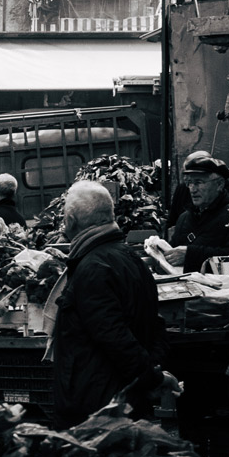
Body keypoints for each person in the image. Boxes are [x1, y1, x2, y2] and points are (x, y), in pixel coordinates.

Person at [48, 181, 167, 428]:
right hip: (123, 401)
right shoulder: (131, 258)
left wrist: (150, 379)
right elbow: (155, 325)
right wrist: (151, 378)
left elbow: (115, 338)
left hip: (98, 409)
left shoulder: (92, 268)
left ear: (71, 221)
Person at [168, 153, 229, 273]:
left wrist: (191, 254)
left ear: (219, 184)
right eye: (190, 183)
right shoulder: (184, 218)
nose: (192, 189)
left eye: (198, 183)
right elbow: (174, 249)